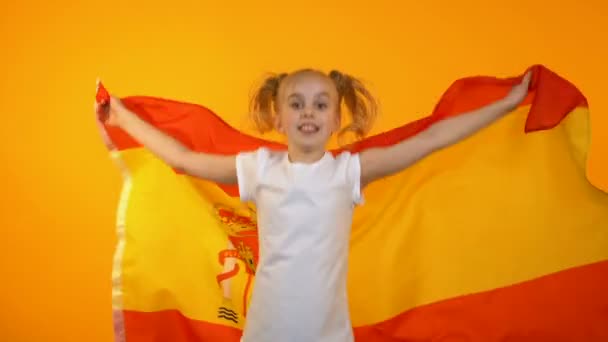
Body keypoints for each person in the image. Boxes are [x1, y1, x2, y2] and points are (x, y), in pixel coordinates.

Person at [96, 68, 532, 342]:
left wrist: (508, 103)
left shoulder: (348, 173)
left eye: (321, 104)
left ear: (336, 117)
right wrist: (121, 116)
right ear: (279, 117)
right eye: (297, 104)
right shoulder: (261, 169)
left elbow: (431, 140)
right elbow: (183, 160)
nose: (309, 113)